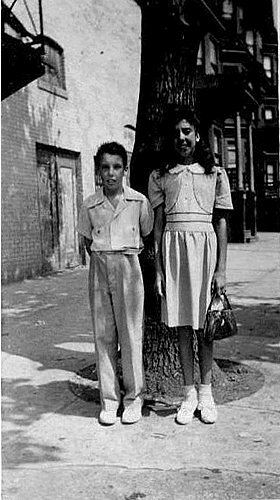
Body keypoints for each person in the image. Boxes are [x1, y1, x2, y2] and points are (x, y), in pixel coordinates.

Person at [148, 108, 233, 425]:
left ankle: (207, 393)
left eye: (187, 131)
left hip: (205, 254)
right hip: (174, 255)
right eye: (176, 133)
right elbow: (157, 227)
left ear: (198, 135)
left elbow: (222, 223)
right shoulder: (161, 176)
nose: (181, 138)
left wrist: (221, 269)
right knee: (184, 326)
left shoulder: (215, 174)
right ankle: (188, 395)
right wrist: (158, 269)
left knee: (206, 326)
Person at [78, 141, 154, 425]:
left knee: (131, 334)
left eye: (117, 167)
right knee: (103, 334)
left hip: (128, 267)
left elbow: (147, 234)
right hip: (99, 267)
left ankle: (134, 399)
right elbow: (88, 241)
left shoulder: (138, 202)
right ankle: (109, 401)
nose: (111, 173)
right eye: (105, 167)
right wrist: (103, 259)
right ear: (98, 170)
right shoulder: (90, 204)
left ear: (125, 169)